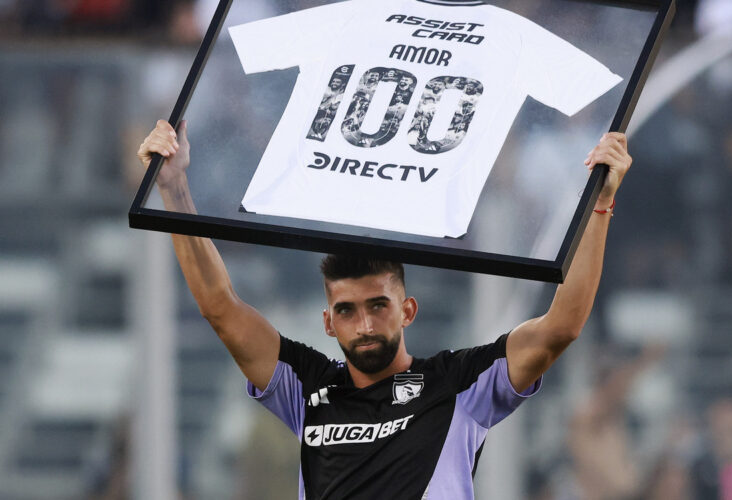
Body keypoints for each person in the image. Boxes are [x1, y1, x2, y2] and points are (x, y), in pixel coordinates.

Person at [137, 119, 632, 499]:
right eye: (348, 311)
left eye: (379, 305)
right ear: (328, 322)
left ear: (408, 309)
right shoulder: (308, 387)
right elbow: (221, 308)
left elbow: (561, 327)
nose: (366, 324)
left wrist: (600, 206)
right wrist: (174, 188)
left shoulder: (457, 383)